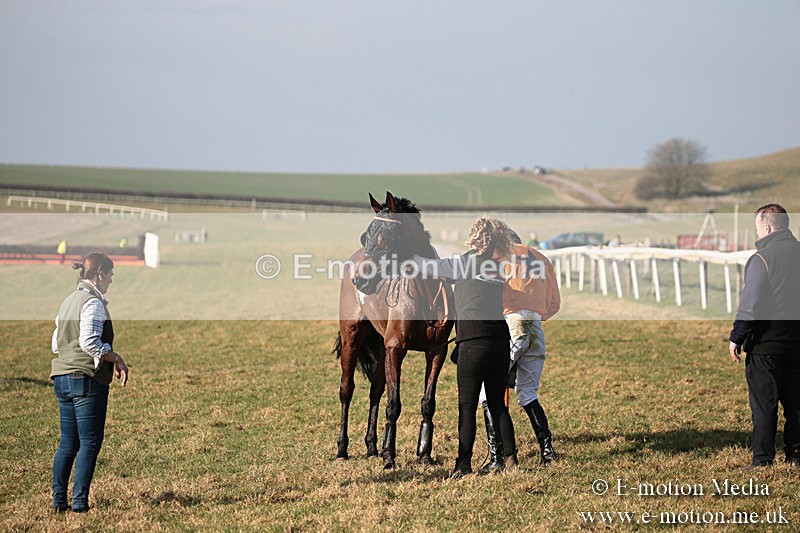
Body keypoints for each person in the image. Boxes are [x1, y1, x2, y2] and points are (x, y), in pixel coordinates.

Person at [413, 217, 518, 478]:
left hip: (473, 343)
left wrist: (406, 255)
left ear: (472, 239)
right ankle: (511, 460)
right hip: (500, 342)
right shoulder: (497, 268)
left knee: (467, 406)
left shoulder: (462, 263)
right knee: (498, 405)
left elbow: (427, 267)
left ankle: (463, 464)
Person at [50, 253, 129, 512]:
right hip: (85, 380)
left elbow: (56, 343)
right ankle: (80, 503)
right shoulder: (92, 303)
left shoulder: (68, 301)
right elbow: (89, 343)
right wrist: (115, 356)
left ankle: (59, 500)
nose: (111, 280)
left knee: (67, 443)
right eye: (110, 274)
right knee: (90, 442)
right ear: (99, 274)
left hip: (61, 378)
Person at [478, 230, 561, 471]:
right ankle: (548, 452)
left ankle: (497, 457)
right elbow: (554, 304)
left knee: (486, 391)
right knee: (527, 394)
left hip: (511, 324)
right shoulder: (540, 257)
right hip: (535, 327)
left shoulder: (498, 256)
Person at [729, 204, 800, 469]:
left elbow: (751, 304)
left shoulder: (762, 259)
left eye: (757, 227)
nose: (756, 232)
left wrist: (737, 336)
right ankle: (795, 456)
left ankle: (762, 460)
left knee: (764, 406)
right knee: (796, 404)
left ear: (767, 227)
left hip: (766, 345)